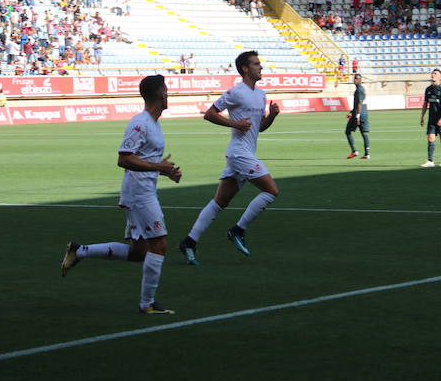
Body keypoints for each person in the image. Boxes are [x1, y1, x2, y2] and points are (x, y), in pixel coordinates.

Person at [60, 75, 182, 314]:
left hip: (142, 190)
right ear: (160, 94)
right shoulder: (141, 123)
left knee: (139, 253)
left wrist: (165, 171)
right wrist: (158, 167)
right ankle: (147, 305)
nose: (168, 94)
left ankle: (80, 250)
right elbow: (124, 158)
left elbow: (143, 159)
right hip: (140, 195)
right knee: (160, 245)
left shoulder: (154, 124)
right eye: (166, 90)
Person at [178, 51, 280, 265]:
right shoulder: (235, 92)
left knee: (219, 202)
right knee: (271, 191)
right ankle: (237, 230)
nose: (260, 67)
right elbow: (209, 114)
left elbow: (258, 127)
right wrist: (234, 124)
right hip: (238, 153)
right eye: (256, 64)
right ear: (245, 68)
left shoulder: (260, 95)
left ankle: (189, 241)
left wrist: (272, 116)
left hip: (245, 153)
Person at [420, 69, 441, 167]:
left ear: (439, 77)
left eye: (435, 73)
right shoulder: (428, 89)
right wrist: (422, 117)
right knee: (430, 138)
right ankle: (430, 161)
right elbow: (425, 104)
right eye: (432, 73)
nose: (433, 75)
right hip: (432, 118)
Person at [345, 73, 370, 159]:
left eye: (357, 78)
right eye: (354, 78)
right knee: (364, 133)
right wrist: (351, 112)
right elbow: (358, 104)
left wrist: (357, 115)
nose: (355, 80)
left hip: (359, 114)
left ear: (360, 80)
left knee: (347, 131)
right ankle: (367, 154)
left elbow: (359, 103)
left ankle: (354, 151)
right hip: (363, 113)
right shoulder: (361, 89)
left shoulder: (359, 90)